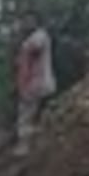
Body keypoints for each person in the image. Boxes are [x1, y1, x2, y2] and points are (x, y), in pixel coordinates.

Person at [15, 25, 57, 156]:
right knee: (34, 115)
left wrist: (24, 84)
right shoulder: (39, 37)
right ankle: (38, 141)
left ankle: (26, 148)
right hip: (40, 83)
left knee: (26, 117)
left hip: (35, 84)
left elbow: (32, 52)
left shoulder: (37, 37)